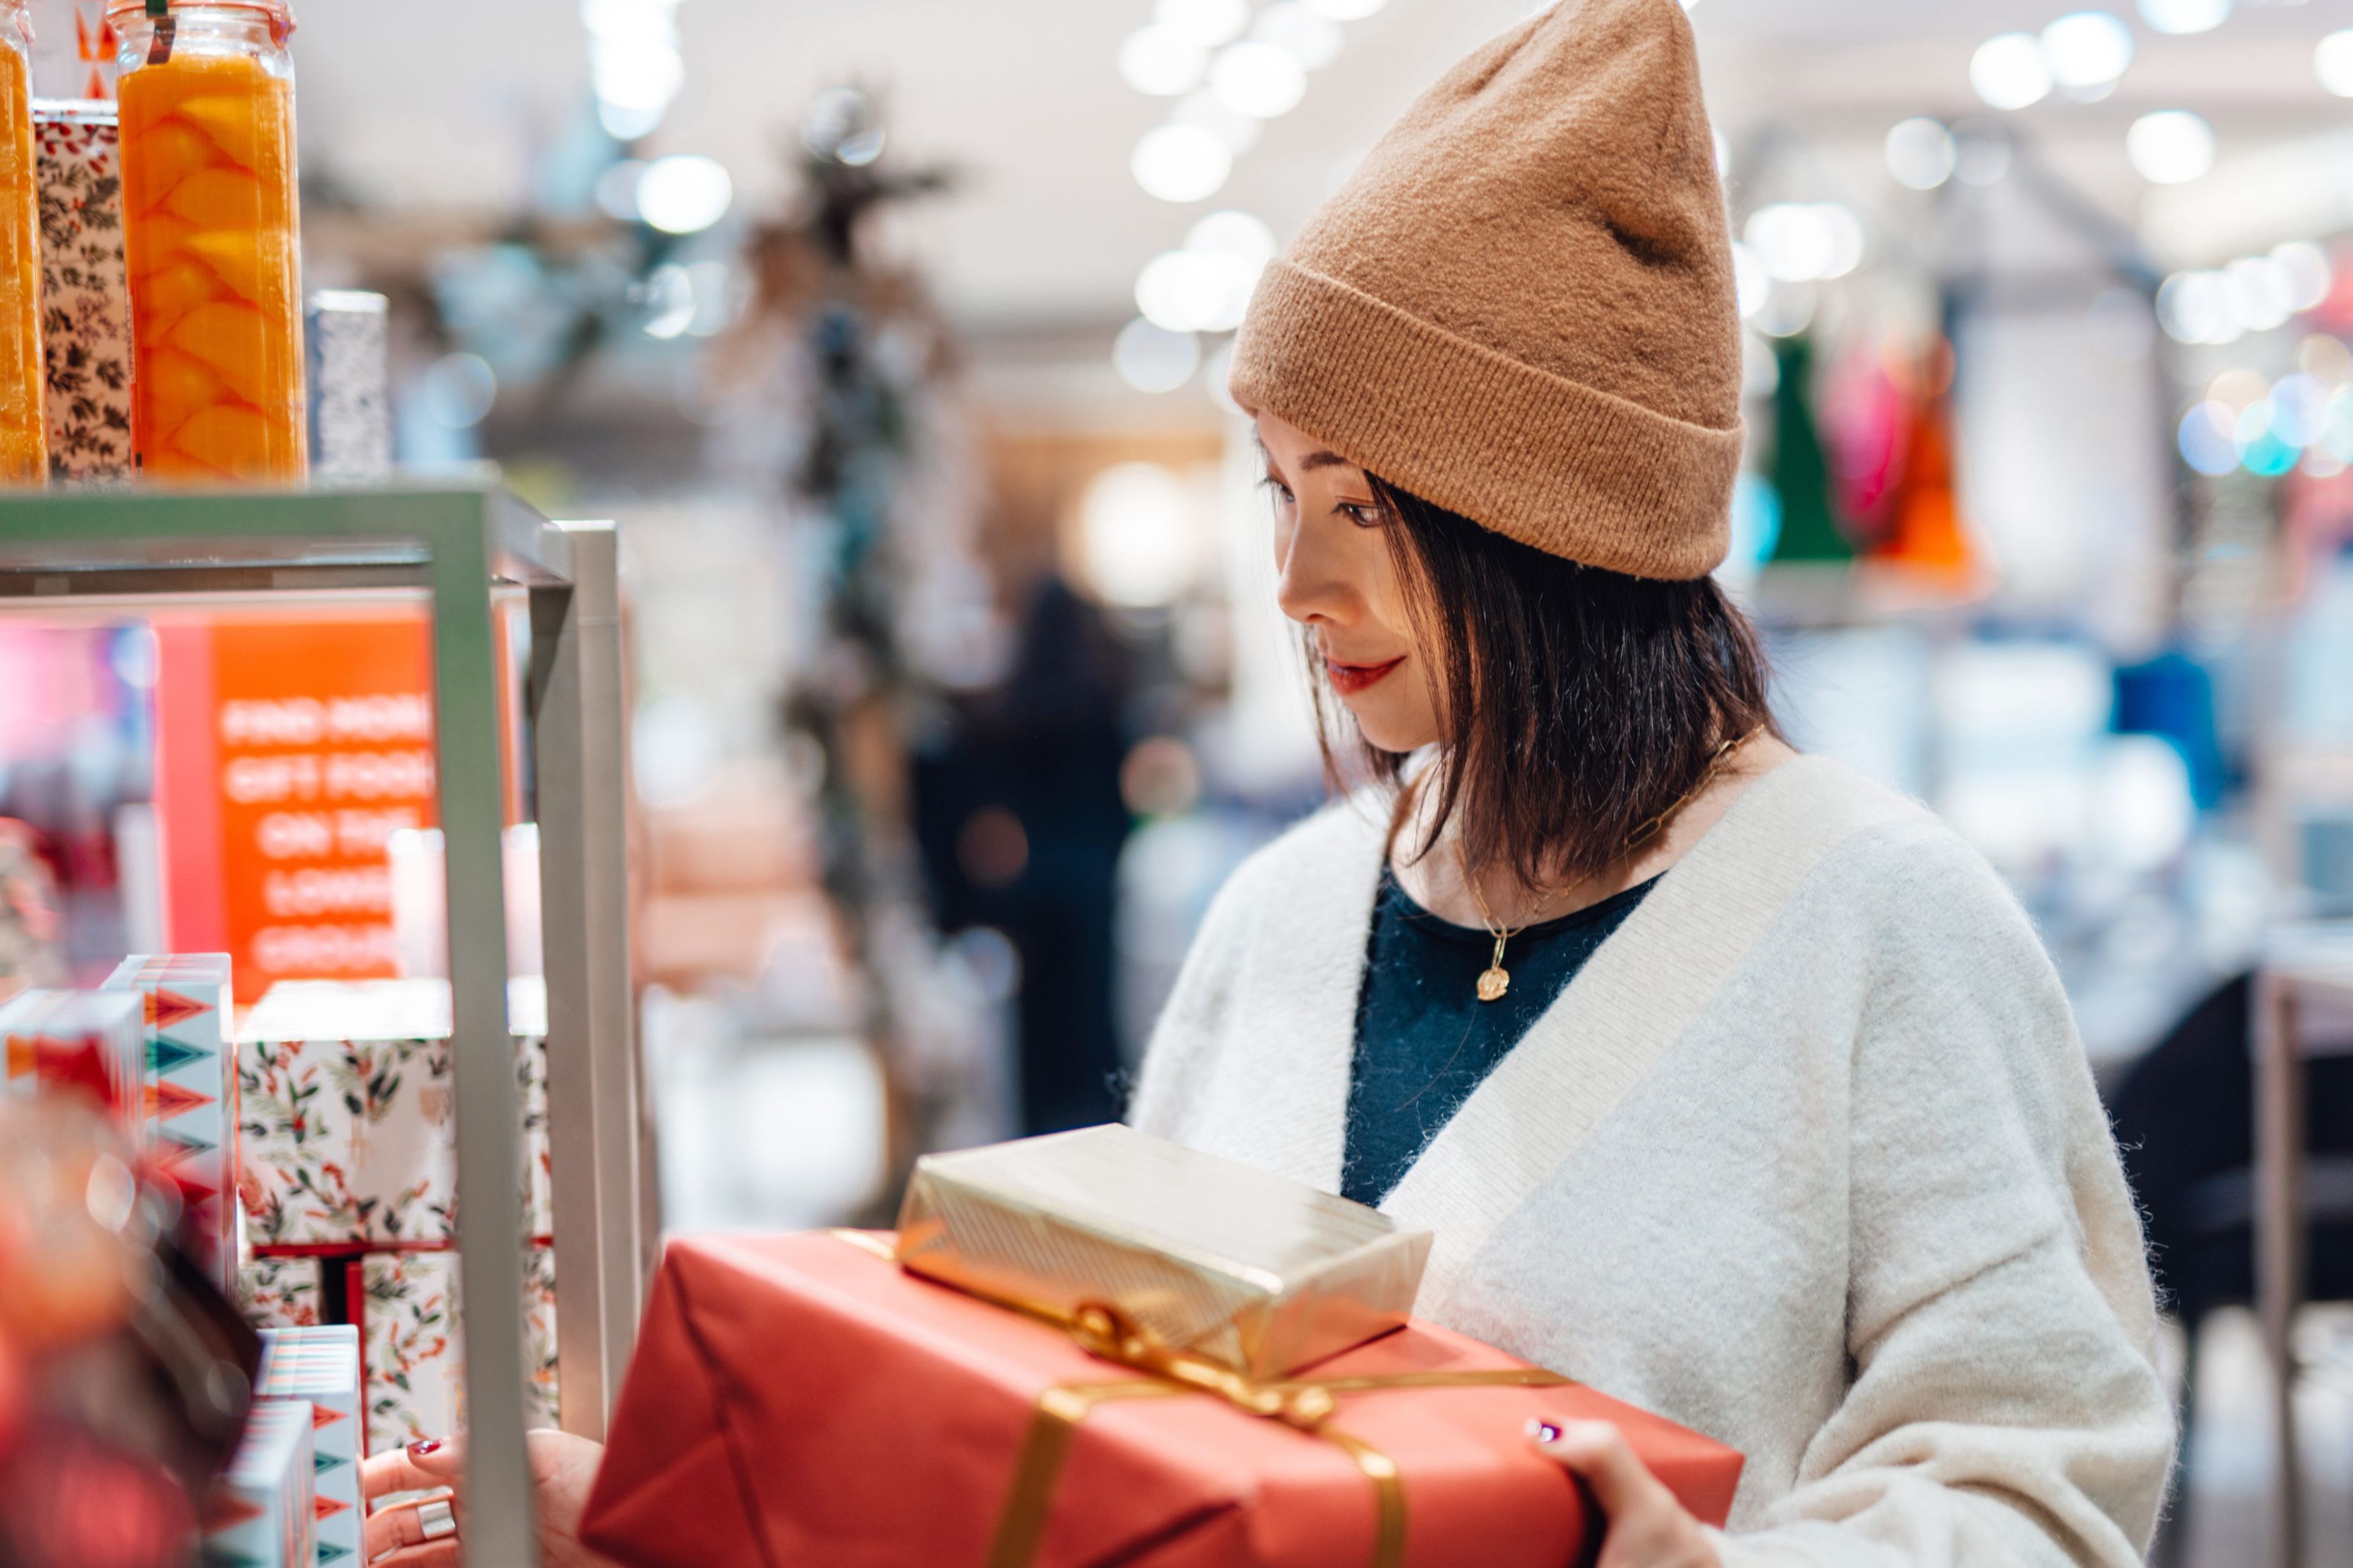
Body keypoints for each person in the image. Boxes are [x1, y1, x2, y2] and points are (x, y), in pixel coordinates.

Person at [362, 1, 2175, 1563]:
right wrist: (667, 1516)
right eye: (1280, 494)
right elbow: (1097, 1467)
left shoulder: (1878, 924)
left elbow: (2042, 1478)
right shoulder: (1288, 913)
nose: (1297, 586)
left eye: (1363, 506)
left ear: (1551, 523)